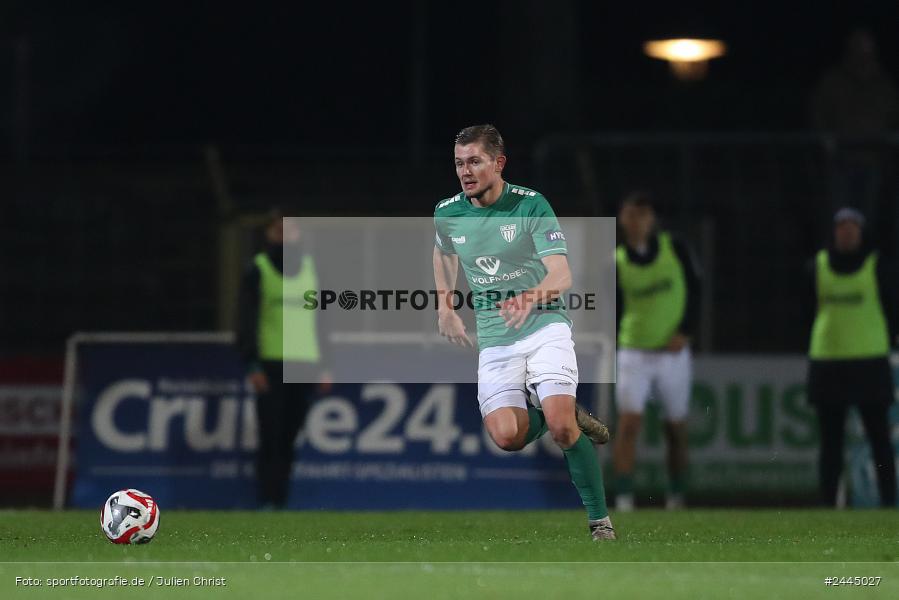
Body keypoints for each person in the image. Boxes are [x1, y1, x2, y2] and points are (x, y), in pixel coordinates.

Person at [433, 124, 615, 541]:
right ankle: (570, 414)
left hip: (544, 325)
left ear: (499, 164)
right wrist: (446, 306)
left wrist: (530, 297)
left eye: (475, 161)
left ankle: (600, 522)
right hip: (496, 337)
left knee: (561, 429)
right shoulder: (447, 211)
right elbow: (443, 252)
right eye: (460, 163)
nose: (465, 171)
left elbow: (562, 273)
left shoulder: (530, 205)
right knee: (506, 436)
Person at [237, 211, 332, 509]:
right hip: (271, 363)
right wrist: (251, 363)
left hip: (304, 363)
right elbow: (245, 318)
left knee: (290, 435)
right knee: (270, 434)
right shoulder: (258, 269)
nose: (284, 235)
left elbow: (323, 320)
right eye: (278, 230)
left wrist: (326, 364)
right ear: (269, 234)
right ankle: (267, 499)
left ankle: (280, 500)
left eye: (289, 230)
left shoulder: (312, 269)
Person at [613, 192, 701, 511]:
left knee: (675, 428)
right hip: (634, 351)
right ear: (622, 220)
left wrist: (687, 331)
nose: (636, 221)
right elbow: (615, 306)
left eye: (642, 214)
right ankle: (623, 500)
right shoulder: (618, 260)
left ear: (651, 219)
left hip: (672, 354)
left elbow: (696, 289)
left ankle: (677, 496)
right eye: (629, 214)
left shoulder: (674, 249)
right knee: (628, 425)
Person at [805, 207, 897, 507]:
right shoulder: (818, 266)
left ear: (862, 231)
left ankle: (888, 503)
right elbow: (804, 310)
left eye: (852, 227)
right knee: (831, 443)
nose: (846, 232)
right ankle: (827, 504)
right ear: (834, 232)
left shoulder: (877, 266)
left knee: (879, 439)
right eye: (841, 227)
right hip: (829, 361)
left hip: (869, 360)